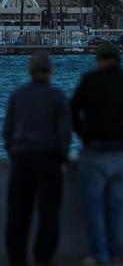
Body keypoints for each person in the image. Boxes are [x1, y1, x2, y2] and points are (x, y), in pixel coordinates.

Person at [70, 43, 123, 264]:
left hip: (95, 151)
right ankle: (114, 252)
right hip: (121, 152)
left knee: (94, 206)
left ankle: (100, 255)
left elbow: (72, 111)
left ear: (99, 60)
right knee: (116, 206)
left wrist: (84, 136)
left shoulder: (89, 81)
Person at [3, 52, 71, 266]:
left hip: (22, 159)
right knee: (48, 213)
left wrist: (14, 153)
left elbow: (8, 132)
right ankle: (43, 257)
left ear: (30, 71)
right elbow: (64, 133)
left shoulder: (17, 96)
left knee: (18, 214)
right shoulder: (57, 96)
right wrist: (62, 157)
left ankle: (17, 258)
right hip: (49, 159)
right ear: (50, 71)